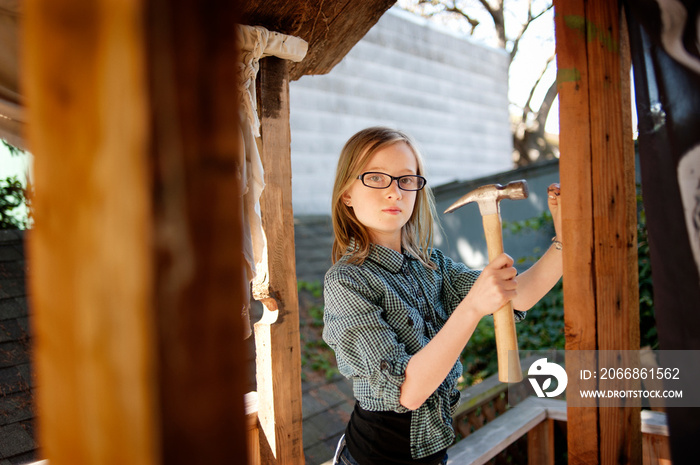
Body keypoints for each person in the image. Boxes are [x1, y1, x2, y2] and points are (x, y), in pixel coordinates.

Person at [323, 127, 563, 465]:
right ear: (347, 193)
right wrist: (473, 307)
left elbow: (516, 297)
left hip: (434, 455)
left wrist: (563, 241)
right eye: (377, 178)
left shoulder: (431, 264)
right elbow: (408, 391)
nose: (395, 193)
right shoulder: (347, 282)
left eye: (407, 179)